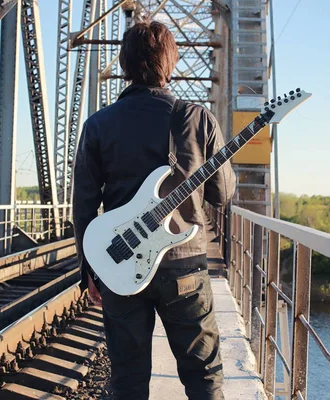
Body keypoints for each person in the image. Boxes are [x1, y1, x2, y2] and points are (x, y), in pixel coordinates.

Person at [72, 19, 236, 400]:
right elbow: (222, 194)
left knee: (127, 381)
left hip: (121, 264)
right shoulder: (197, 118)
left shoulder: (98, 124)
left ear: (125, 65)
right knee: (204, 376)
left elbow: (83, 205)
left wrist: (90, 268)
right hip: (185, 266)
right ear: (171, 63)